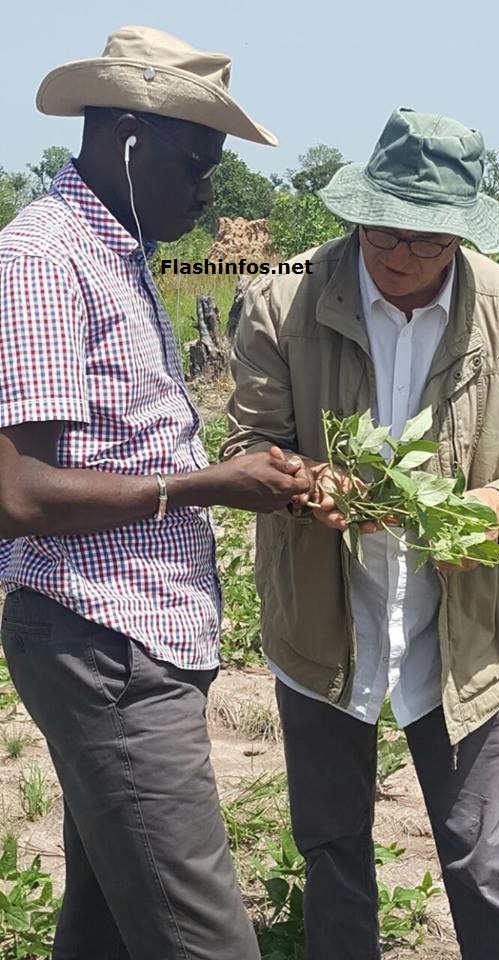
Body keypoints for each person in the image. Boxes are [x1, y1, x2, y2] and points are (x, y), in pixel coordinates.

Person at [0, 25, 311, 960]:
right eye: (198, 161)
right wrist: (210, 484)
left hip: (141, 636)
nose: (209, 190)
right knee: (205, 940)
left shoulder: (118, 248)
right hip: (104, 645)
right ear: (130, 140)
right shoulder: (46, 260)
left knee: (105, 925)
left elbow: (121, 437)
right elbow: (19, 494)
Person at [223, 107, 499, 960]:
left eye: (425, 243)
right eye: (380, 234)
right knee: (332, 849)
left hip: (458, 631)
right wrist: (303, 485)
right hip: (323, 625)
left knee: (486, 858)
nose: (397, 257)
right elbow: (248, 444)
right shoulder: (282, 298)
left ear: (461, 236)